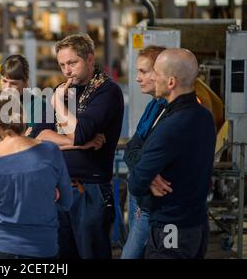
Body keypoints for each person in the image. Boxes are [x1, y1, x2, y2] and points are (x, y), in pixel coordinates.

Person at [34, 34, 124, 259]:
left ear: (90, 59)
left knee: (90, 253)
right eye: (62, 65)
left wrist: (58, 106)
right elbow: (37, 137)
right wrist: (77, 144)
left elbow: (81, 133)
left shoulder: (107, 91)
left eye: (72, 63)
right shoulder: (63, 90)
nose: (66, 70)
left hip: (90, 188)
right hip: (58, 188)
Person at [128, 48, 216, 259]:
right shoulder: (204, 117)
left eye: (156, 73)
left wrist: (147, 176)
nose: (151, 78)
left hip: (171, 229)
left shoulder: (171, 126)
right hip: (196, 225)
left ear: (170, 82)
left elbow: (136, 182)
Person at [0, 92, 73, 259]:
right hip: (42, 248)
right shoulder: (50, 151)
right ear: (22, 115)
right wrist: (40, 207)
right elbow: (66, 201)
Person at [121, 46, 167, 259]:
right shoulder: (153, 106)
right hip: (141, 194)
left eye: (143, 71)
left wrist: (144, 169)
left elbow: (149, 155)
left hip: (154, 201)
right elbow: (132, 148)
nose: (138, 78)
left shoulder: (172, 111)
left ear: (161, 73)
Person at [0, 54, 48, 149]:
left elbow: (31, 140)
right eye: (4, 81)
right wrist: (20, 137)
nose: (7, 88)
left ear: (26, 83)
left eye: (14, 83)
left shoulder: (37, 105)